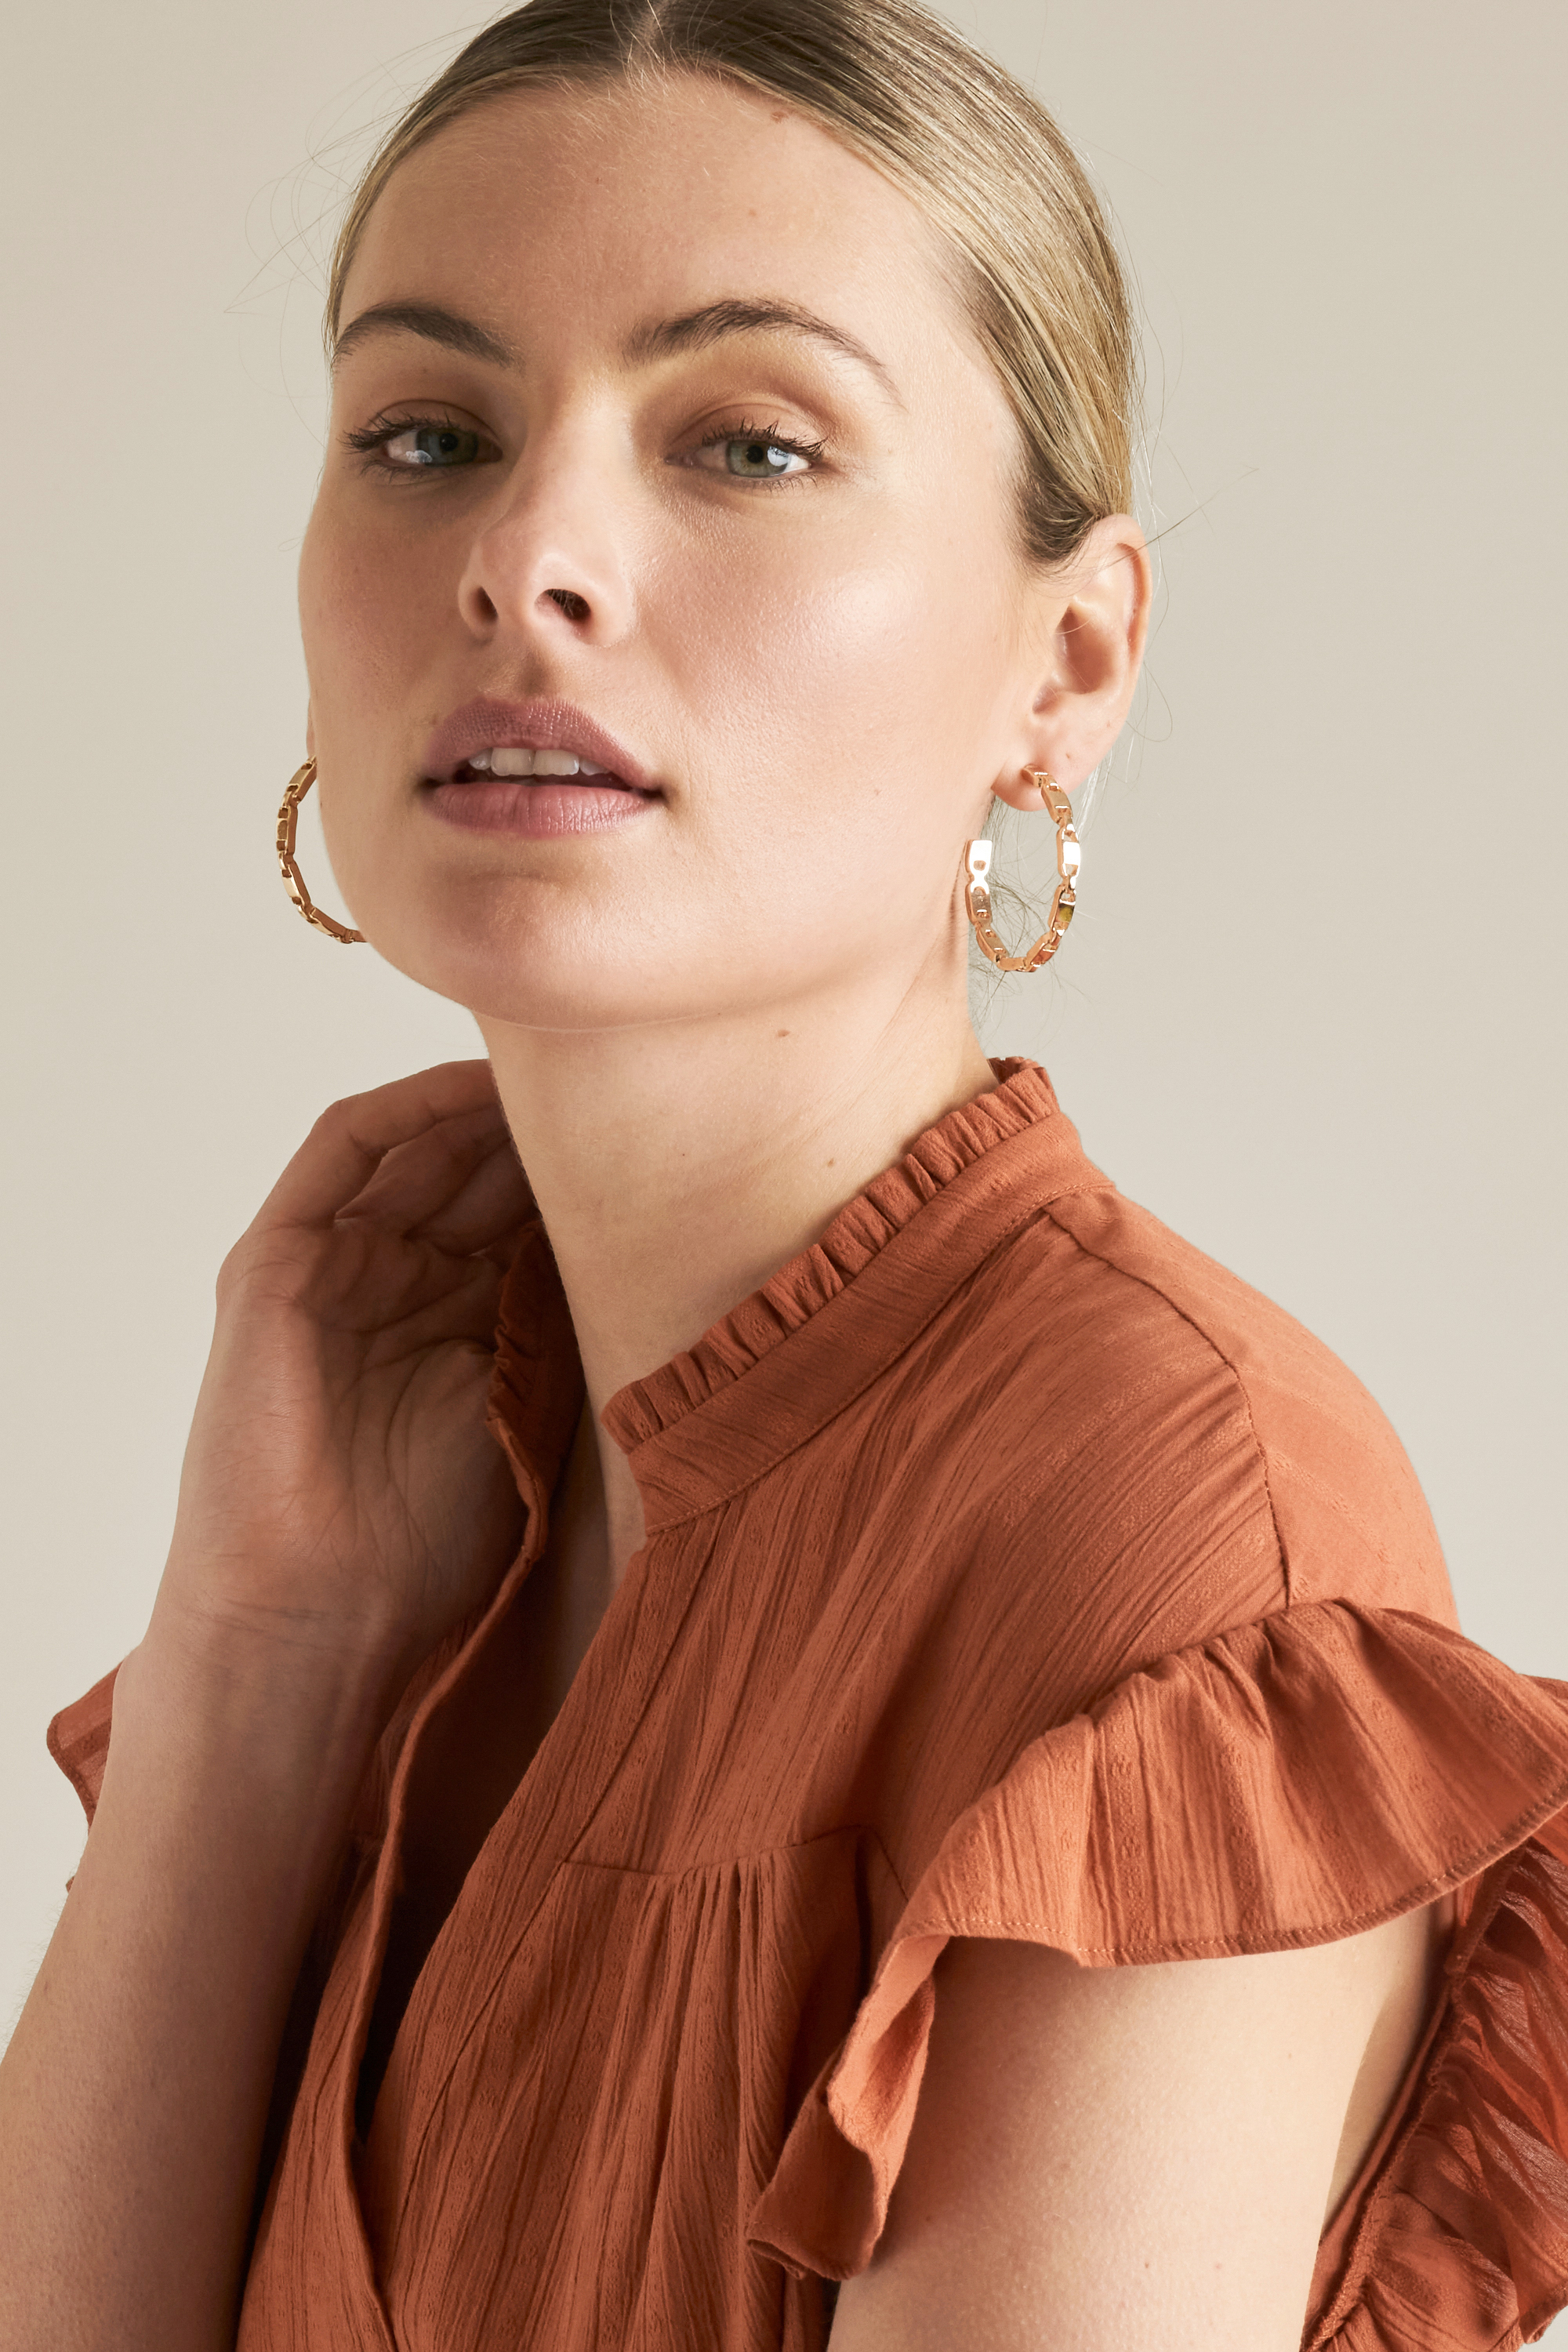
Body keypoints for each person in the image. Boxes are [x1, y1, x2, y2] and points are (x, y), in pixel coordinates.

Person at [3, 0, 1566, 2344]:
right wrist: (259, 1658)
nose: (526, 557)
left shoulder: (1166, 1544)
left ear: (1069, 660)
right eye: (428, 434)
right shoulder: (405, 1485)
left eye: (747, 442)